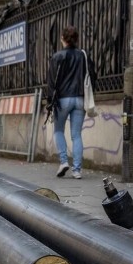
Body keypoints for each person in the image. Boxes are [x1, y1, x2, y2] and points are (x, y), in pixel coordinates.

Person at [46, 25, 96, 180]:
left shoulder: (57, 57)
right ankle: (77, 170)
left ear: (62, 38)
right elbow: (93, 75)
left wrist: (50, 101)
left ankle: (63, 161)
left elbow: (51, 81)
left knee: (58, 130)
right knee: (76, 135)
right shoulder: (83, 55)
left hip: (62, 100)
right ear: (76, 39)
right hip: (80, 98)